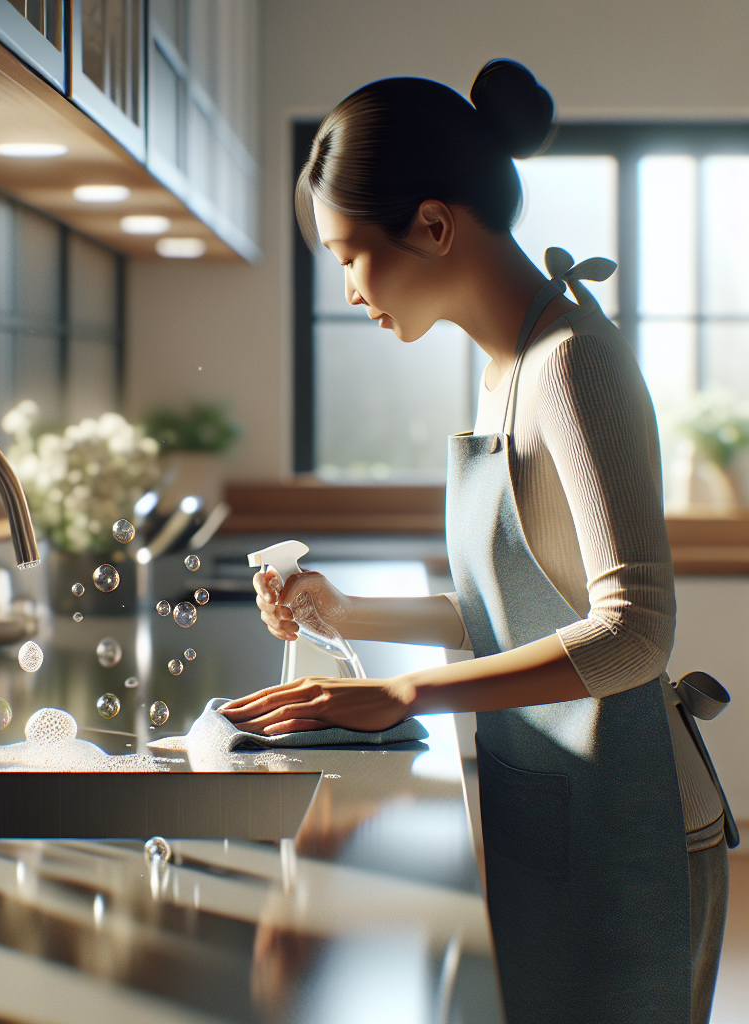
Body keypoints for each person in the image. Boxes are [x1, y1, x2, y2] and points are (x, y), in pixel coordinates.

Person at [220, 61, 729, 1024]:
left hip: (632, 825)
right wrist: (349, 613)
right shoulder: (505, 368)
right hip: (558, 804)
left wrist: (401, 692)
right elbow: (519, 612)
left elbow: (635, 634)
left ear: (434, 225)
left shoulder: (571, 363)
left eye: (348, 254)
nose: (349, 288)